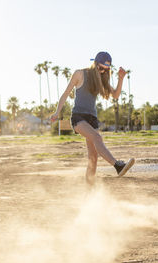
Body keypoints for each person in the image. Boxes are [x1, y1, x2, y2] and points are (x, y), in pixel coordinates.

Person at [50, 52, 135, 186]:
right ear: (94, 64)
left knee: (93, 158)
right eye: (100, 68)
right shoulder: (80, 74)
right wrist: (57, 112)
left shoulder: (101, 79)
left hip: (92, 119)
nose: (102, 71)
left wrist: (121, 79)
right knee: (97, 137)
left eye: (106, 70)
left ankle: (89, 193)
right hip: (79, 117)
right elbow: (66, 93)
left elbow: (116, 95)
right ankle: (117, 165)